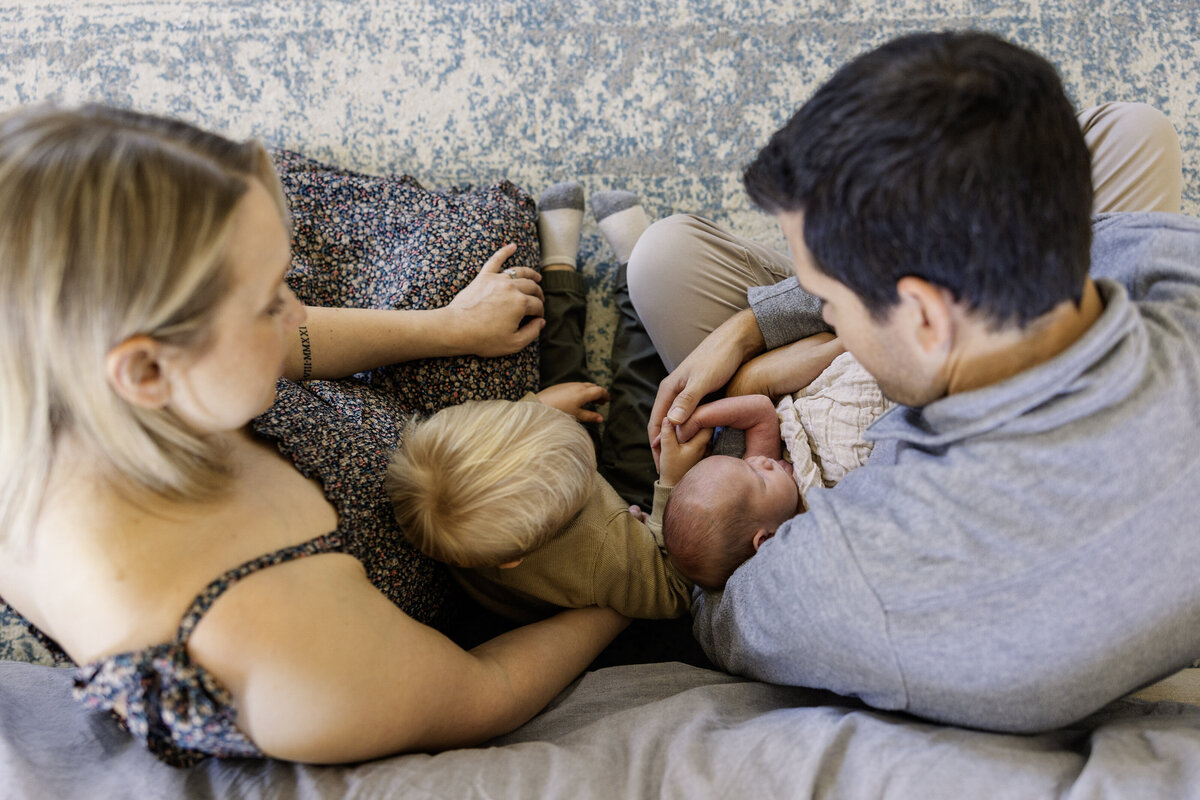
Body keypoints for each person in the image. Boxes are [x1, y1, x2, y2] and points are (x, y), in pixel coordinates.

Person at [0, 104, 629, 767]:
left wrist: (448, 325)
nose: (296, 309)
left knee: (485, 256)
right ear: (148, 369)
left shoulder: (61, 356)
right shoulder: (288, 655)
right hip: (429, 561)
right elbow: (487, 689)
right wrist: (620, 604)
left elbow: (283, 346)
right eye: (270, 299)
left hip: (353, 431)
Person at [628, 30, 1199, 733]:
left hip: (850, 461)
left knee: (663, 264)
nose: (821, 307)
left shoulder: (873, 572)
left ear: (926, 318)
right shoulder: (1174, 268)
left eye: (828, 297)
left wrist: (712, 453)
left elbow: (718, 607)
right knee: (1136, 130)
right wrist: (753, 328)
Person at [385, 184, 693, 623]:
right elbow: (675, 591)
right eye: (584, 472)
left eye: (520, 415)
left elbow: (507, 445)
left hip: (546, 501)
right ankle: (634, 272)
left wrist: (541, 405)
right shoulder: (604, 551)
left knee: (560, 374)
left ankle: (559, 267)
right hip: (629, 516)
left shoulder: (467, 532)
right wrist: (671, 487)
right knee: (647, 402)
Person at [660, 352, 893, 591]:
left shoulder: (760, 475)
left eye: (746, 462)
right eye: (760, 479)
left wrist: (699, 419)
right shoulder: (810, 535)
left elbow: (760, 410)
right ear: (767, 538)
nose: (762, 461)